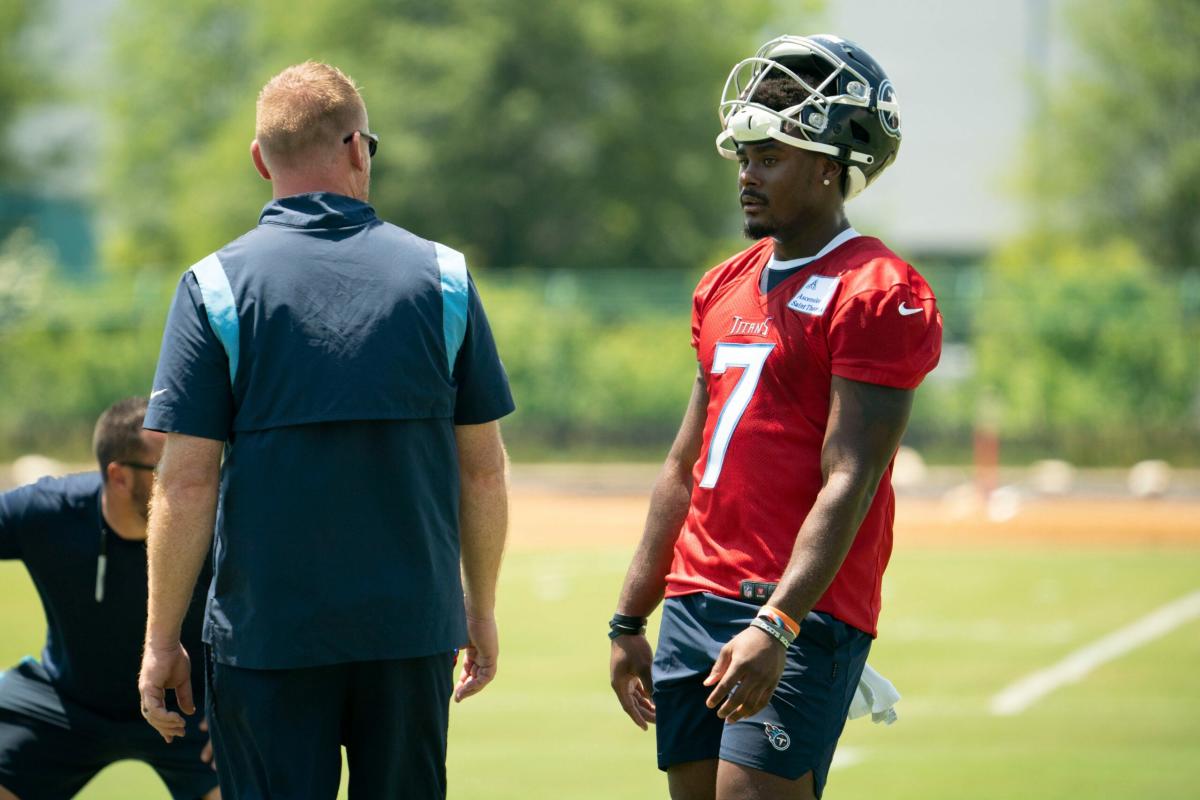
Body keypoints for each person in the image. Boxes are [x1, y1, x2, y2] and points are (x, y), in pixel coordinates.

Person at [136, 61, 514, 798]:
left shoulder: (213, 286)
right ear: (357, 148)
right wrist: (482, 606)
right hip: (410, 634)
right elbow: (484, 470)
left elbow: (183, 482)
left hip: (266, 639)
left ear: (258, 160)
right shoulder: (444, 276)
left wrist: (159, 641)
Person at [608, 34, 942, 800]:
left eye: (770, 157)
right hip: (694, 600)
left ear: (829, 167)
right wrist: (629, 618)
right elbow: (684, 464)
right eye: (744, 157)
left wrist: (780, 624)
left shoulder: (878, 288)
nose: (747, 177)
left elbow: (852, 477)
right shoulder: (724, 283)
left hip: (792, 608)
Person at [0, 397, 218, 800]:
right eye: (163, 469)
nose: (183, 480)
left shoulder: (211, 518)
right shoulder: (48, 511)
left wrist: (239, 710)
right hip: (66, 703)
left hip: (190, 709)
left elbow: (272, 607)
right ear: (118, 476)